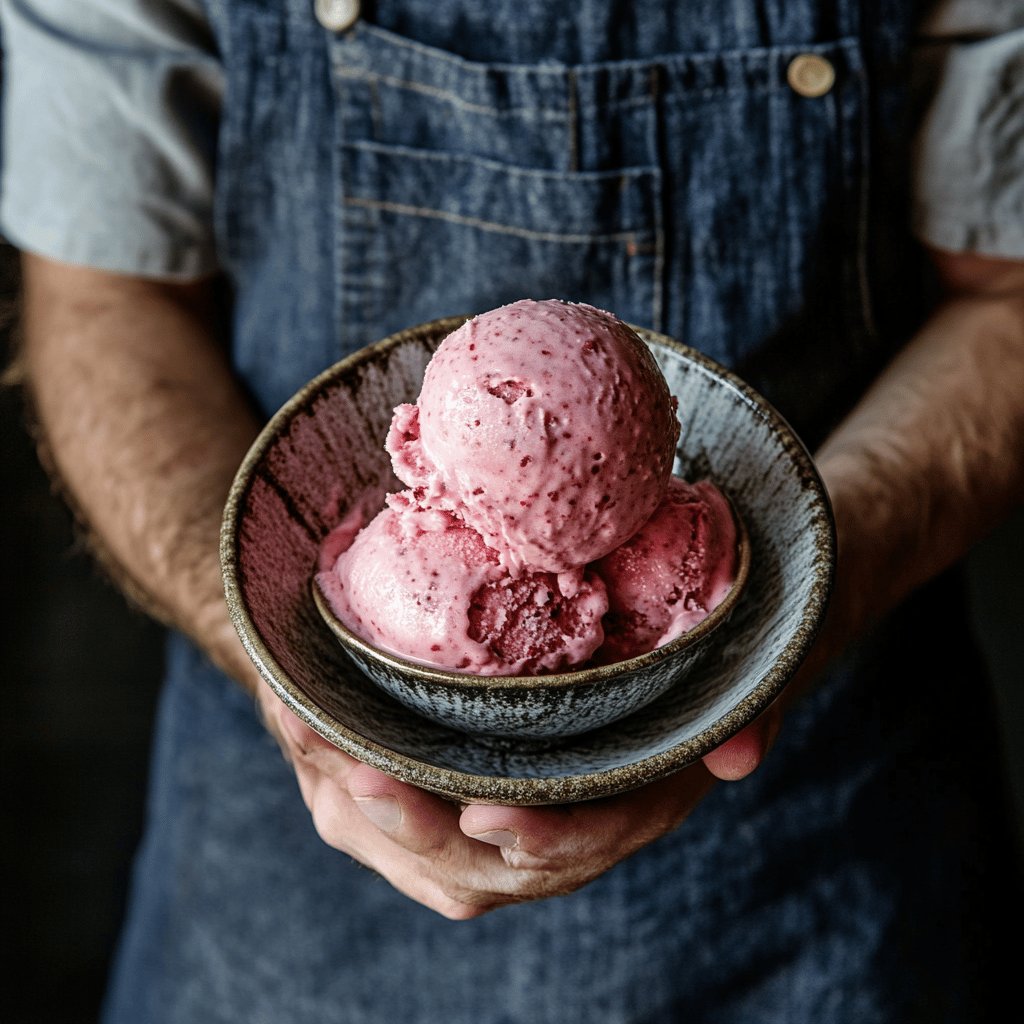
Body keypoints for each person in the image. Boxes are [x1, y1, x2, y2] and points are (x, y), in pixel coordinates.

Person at [2, 0, 1023, 1019]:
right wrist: (286, 664)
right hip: (288, 879)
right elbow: (101, 290)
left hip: (823, 856)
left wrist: (809, 587)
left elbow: (1006, 292)